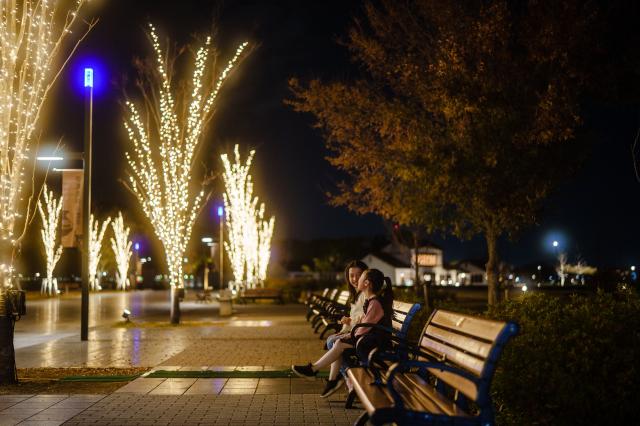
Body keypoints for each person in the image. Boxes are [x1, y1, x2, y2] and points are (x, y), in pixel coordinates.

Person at [292, 268, 394, 398]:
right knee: (338, 344)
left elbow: (365, 327)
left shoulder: (374, 303)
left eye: (361, 277)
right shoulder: (371, 301)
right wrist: (348, 334)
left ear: (367, 283)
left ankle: (314, 370)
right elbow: (364, 325)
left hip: (374, 342)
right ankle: (325, 376)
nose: (358, 280)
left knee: (339, 343)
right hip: (368, 338)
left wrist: (348, 335)